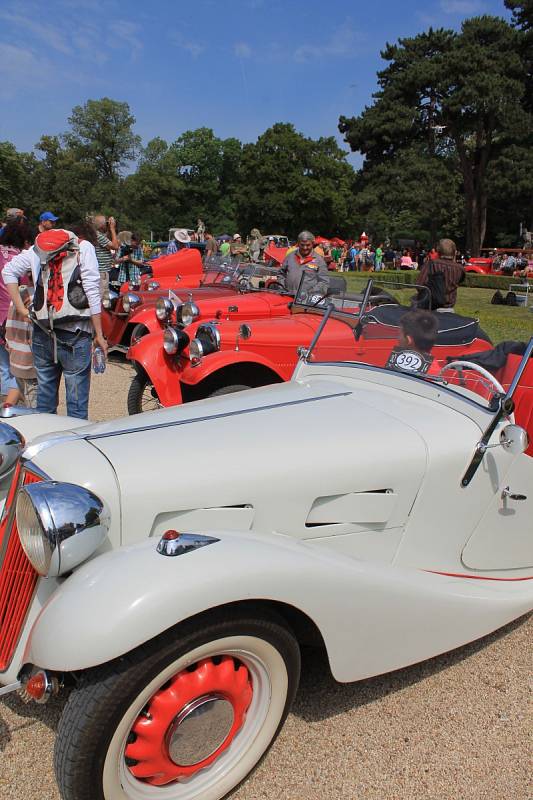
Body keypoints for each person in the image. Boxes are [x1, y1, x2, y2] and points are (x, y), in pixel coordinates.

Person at [2, 223, 107, 420]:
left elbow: (8, 272)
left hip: (43, 331)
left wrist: (23, 309)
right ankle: (74, 447)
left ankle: (47, 446)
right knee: (76, 405)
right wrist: (99, 334)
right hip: (76, 333)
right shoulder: (84, 248)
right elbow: (93, 291)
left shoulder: (37, 250)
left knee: (45, 404)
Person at [0, 220, 33, 404]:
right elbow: (25, 286)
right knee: (14, 367)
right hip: (12, 316)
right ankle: (11, 409)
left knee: (3, 366)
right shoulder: (20, 258)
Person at [417, 238, 465, 311]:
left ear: (438, 251)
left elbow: (419, 285)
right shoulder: (459, 268)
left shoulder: (431, 264)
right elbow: (459, 281)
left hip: (429, 307)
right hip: (448, 309)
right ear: (454, 252)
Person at [279, 230, 329, 295]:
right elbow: (281, 274)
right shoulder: (290, 256)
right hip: (287, 295)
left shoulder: (319, 261)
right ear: (298, 243)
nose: (305, 248)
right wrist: (282, 286)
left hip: (306, 300)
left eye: (308, 245)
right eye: (302, 245)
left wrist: (310, 292)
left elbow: (324, 282)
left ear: (313, 243)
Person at [396, 310, 441, 375]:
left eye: (399, 334)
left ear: (409, 340)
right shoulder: (435, 370)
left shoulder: (405, 370)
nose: (398, 338)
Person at [93, 214, 119, 293]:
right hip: (102, 272)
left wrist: (110, 229)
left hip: (101, 271)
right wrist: (112, 228)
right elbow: (115, 246)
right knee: (103, 296)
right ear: (102, 225)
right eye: (106, 223)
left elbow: (108, 238)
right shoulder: (98, 236)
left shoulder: (97, 234)